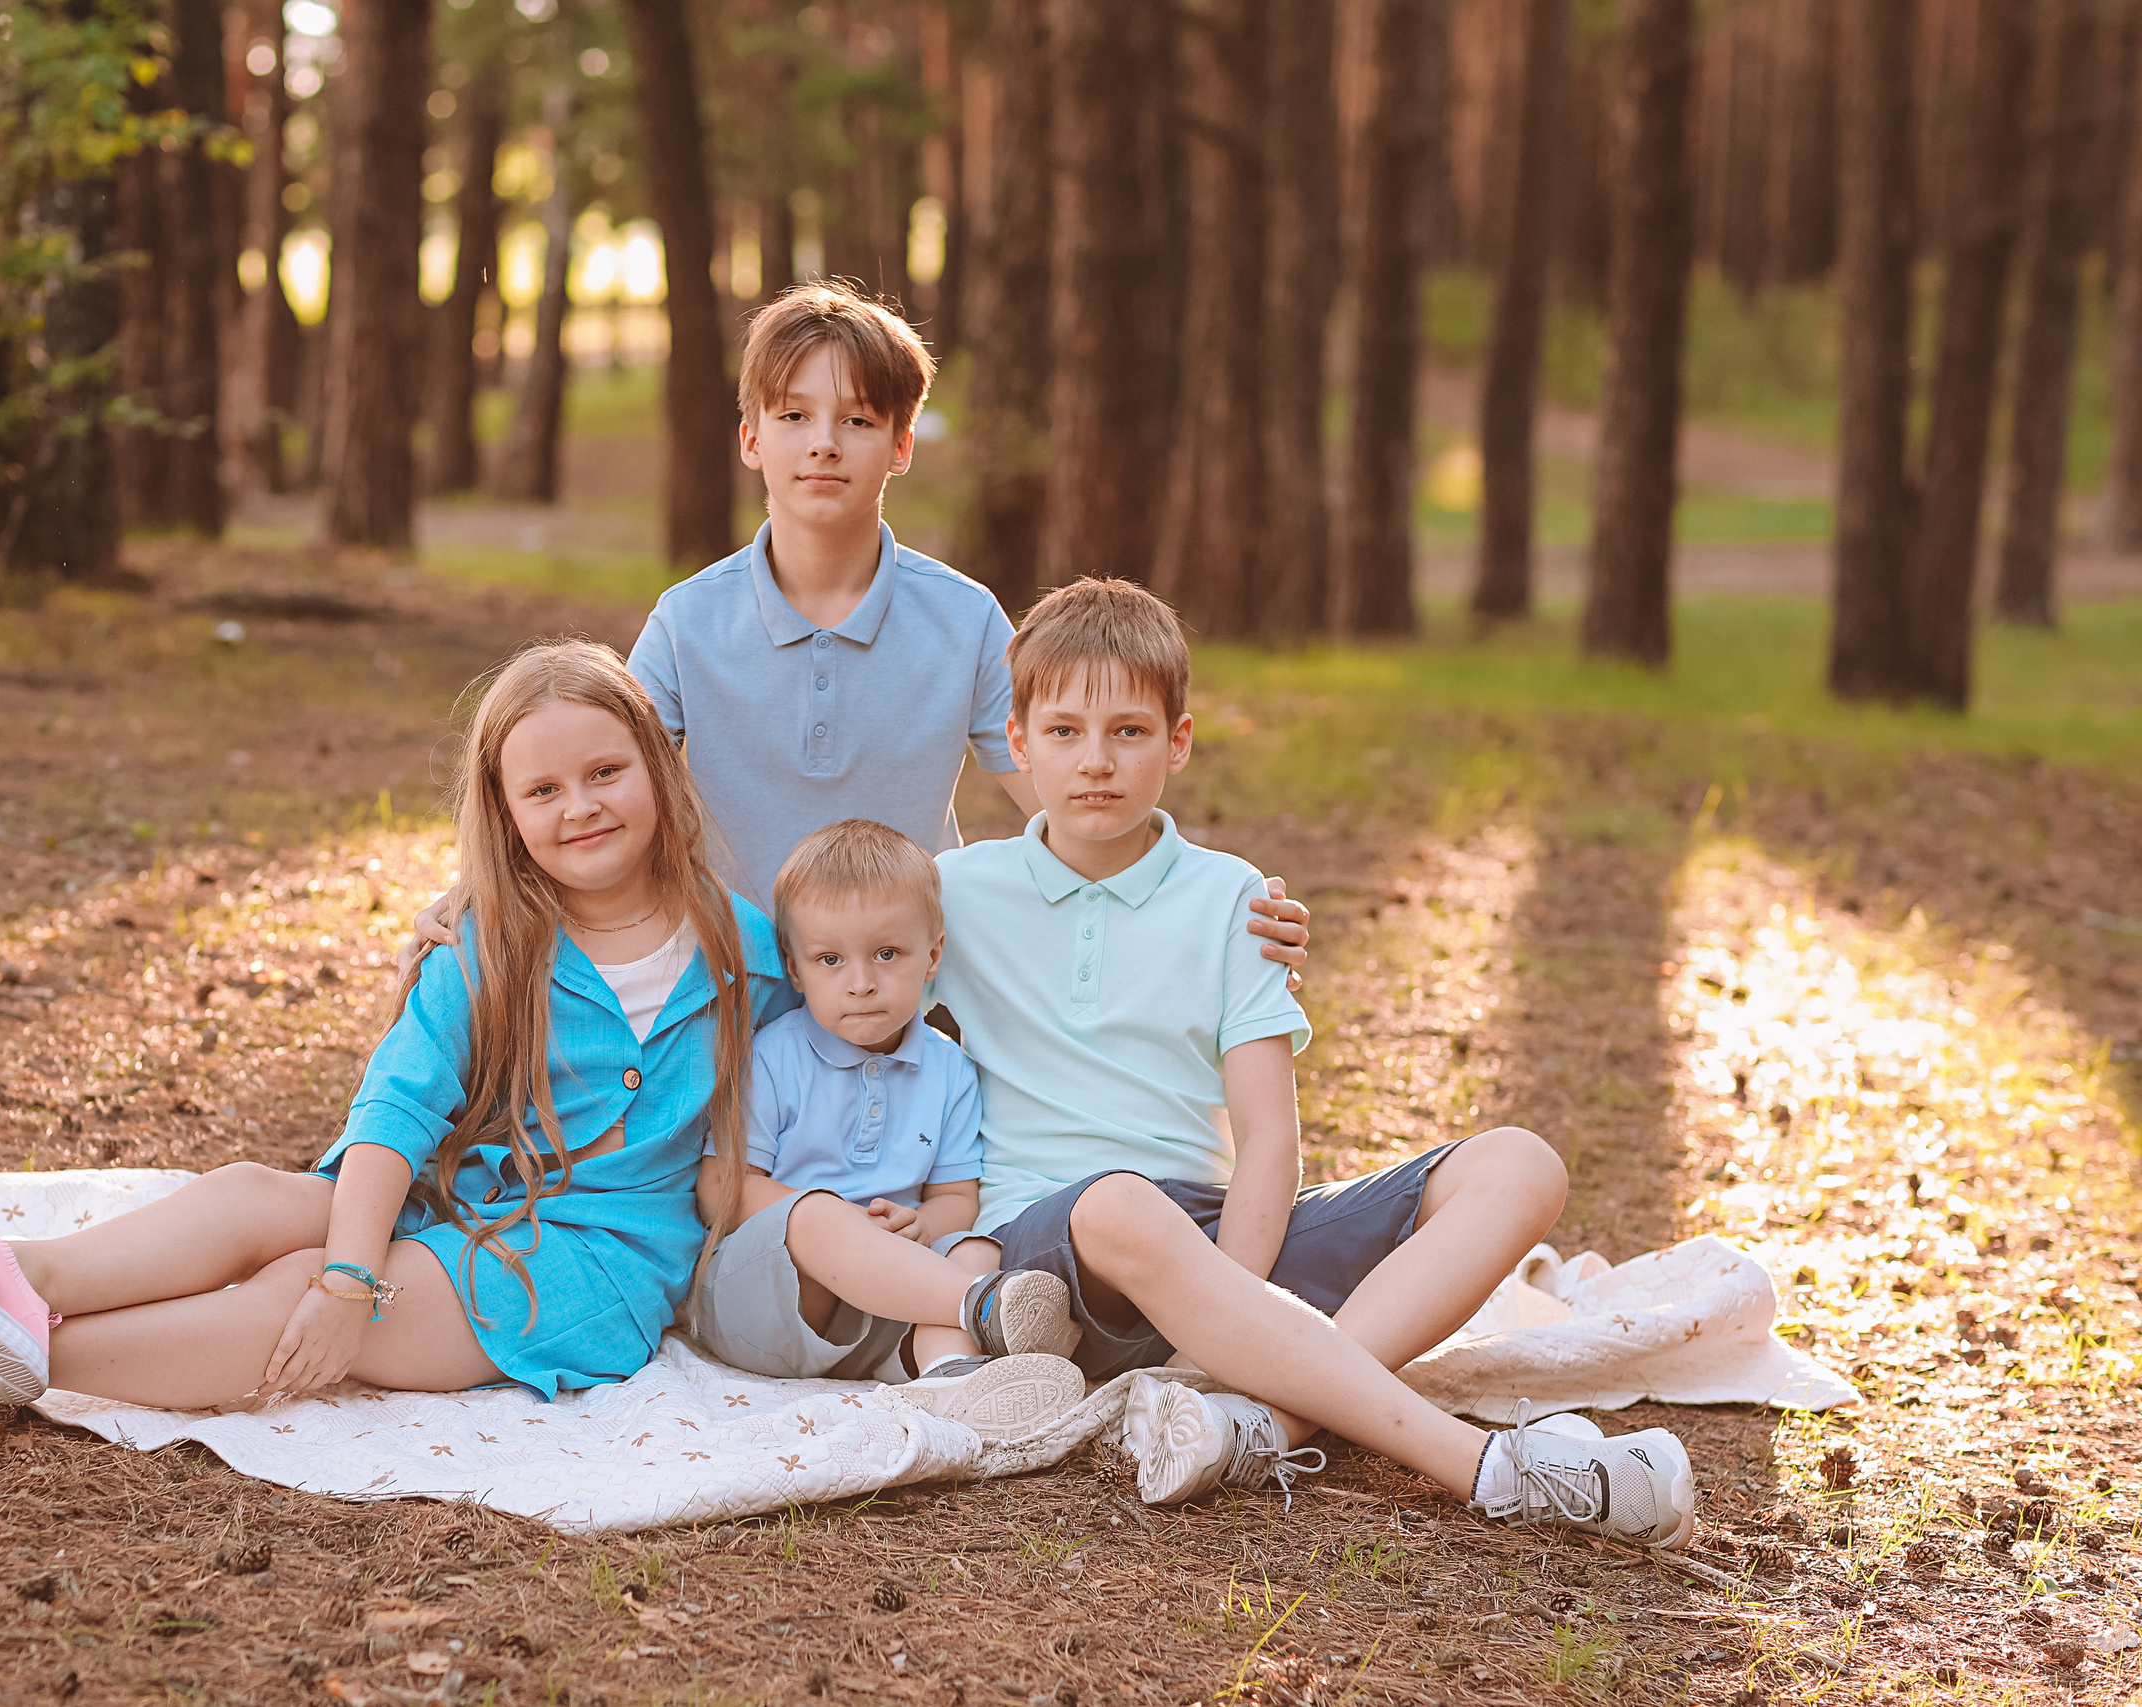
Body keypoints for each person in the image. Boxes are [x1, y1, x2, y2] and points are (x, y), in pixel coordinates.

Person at [0, 641, 816, 1428]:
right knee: (259, 1198)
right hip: (461, 1200)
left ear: (656, 765)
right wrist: (354, 1254)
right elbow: (398, 1104)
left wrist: (343, 1285)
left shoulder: (748, 954)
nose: (582, 806)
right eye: (544, 791)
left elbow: (823, 1080)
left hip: (592, 1268)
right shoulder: (494, 942)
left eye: (606, 772)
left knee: (308, 1295)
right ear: (506, 814)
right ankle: (10, 1281)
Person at [928, 578, 1699, 1548]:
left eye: (1128, 732)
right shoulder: (954, 892)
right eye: (1066, 732)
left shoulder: (1232, 898)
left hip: (1218, 1234)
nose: (1095, 762)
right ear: (1018, 741)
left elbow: (1266, 1136)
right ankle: (1489, 1468)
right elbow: (834, 985)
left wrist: (1225, 1300)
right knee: (1120, 1203)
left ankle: (1259, 1419)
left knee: (1520, 1165)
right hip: (1056, 1252)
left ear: (1178, 743)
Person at [417, 280, 1314, 976]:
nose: (823, 443)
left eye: (857, 421)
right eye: (794, 416)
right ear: (750, 440)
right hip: (735, 981)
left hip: (910, 983)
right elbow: (592, 784)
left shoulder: (963, 619)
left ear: (902, 447)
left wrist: (1213, 899)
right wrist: (473, 895)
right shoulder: (690, 621)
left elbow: (1078, 796)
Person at [688, 818, 1082, 1439]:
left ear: (932, 955)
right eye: (830, 960)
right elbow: (720, 1187)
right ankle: (984, 1308)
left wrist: (924, 1226)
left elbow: (955, 1198)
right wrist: (832, 1224)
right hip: (775, 1306)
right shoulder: (772, 1055)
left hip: (889, 1313)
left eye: (887, 954)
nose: (862, 981)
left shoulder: (949, 1069)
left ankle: (953, 1378)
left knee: (977, 1247)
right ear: (795, 969)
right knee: (820, 1219)